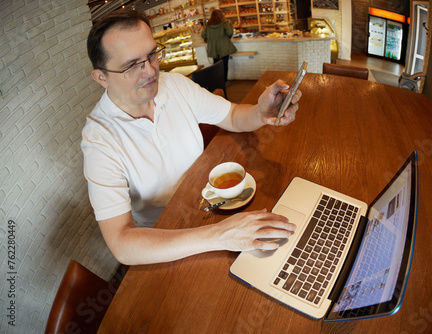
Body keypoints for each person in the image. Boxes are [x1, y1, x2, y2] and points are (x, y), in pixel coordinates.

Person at [82, 9, 301, 266]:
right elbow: (122, 245)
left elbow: (231, 116)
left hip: (210, 207)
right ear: (101, 77)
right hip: (166, 240)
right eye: (132, 65)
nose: (151, 71)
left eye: (152, 55)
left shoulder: (175, 85)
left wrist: (261, 112)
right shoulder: (99, 140)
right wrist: (220, 235)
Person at [201, 10, 237, 83]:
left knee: (216, 66)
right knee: (224, 65)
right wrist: (230, 26)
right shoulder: (225, 24)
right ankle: (224, 81)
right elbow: (230, 33)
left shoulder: (208, 26)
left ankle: (218, 81)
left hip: (214, 49)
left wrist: (209, 40)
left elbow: (203, 35)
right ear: (221, 16)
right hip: (224, 48)